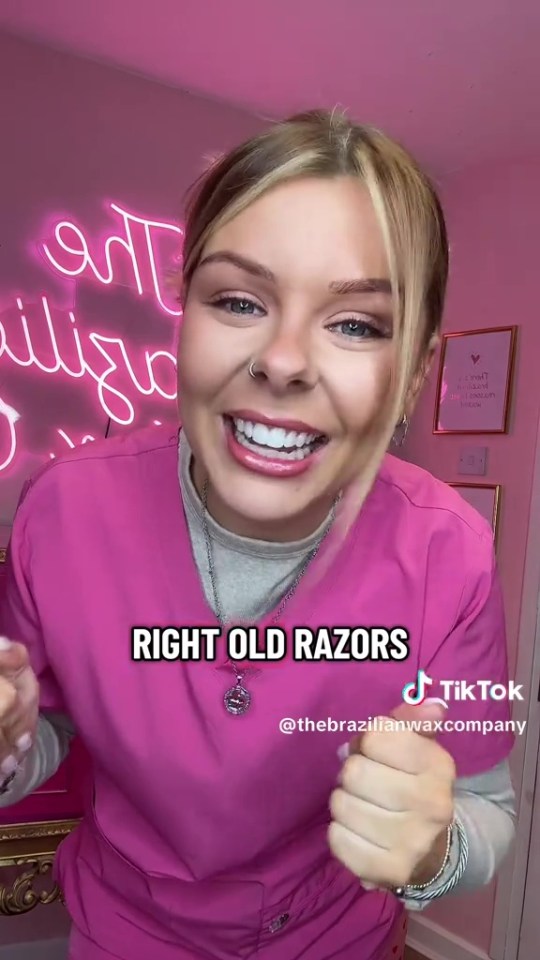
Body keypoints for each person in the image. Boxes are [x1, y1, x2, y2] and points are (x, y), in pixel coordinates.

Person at [0, 109, 516, 960]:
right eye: (239, 300)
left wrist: (433, 851)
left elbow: (488, 806)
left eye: (356, 323)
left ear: (419, 366)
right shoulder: (62, 512)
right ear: (184, 317)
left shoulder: (450, 554)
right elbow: (40, 729)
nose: (282, 360)